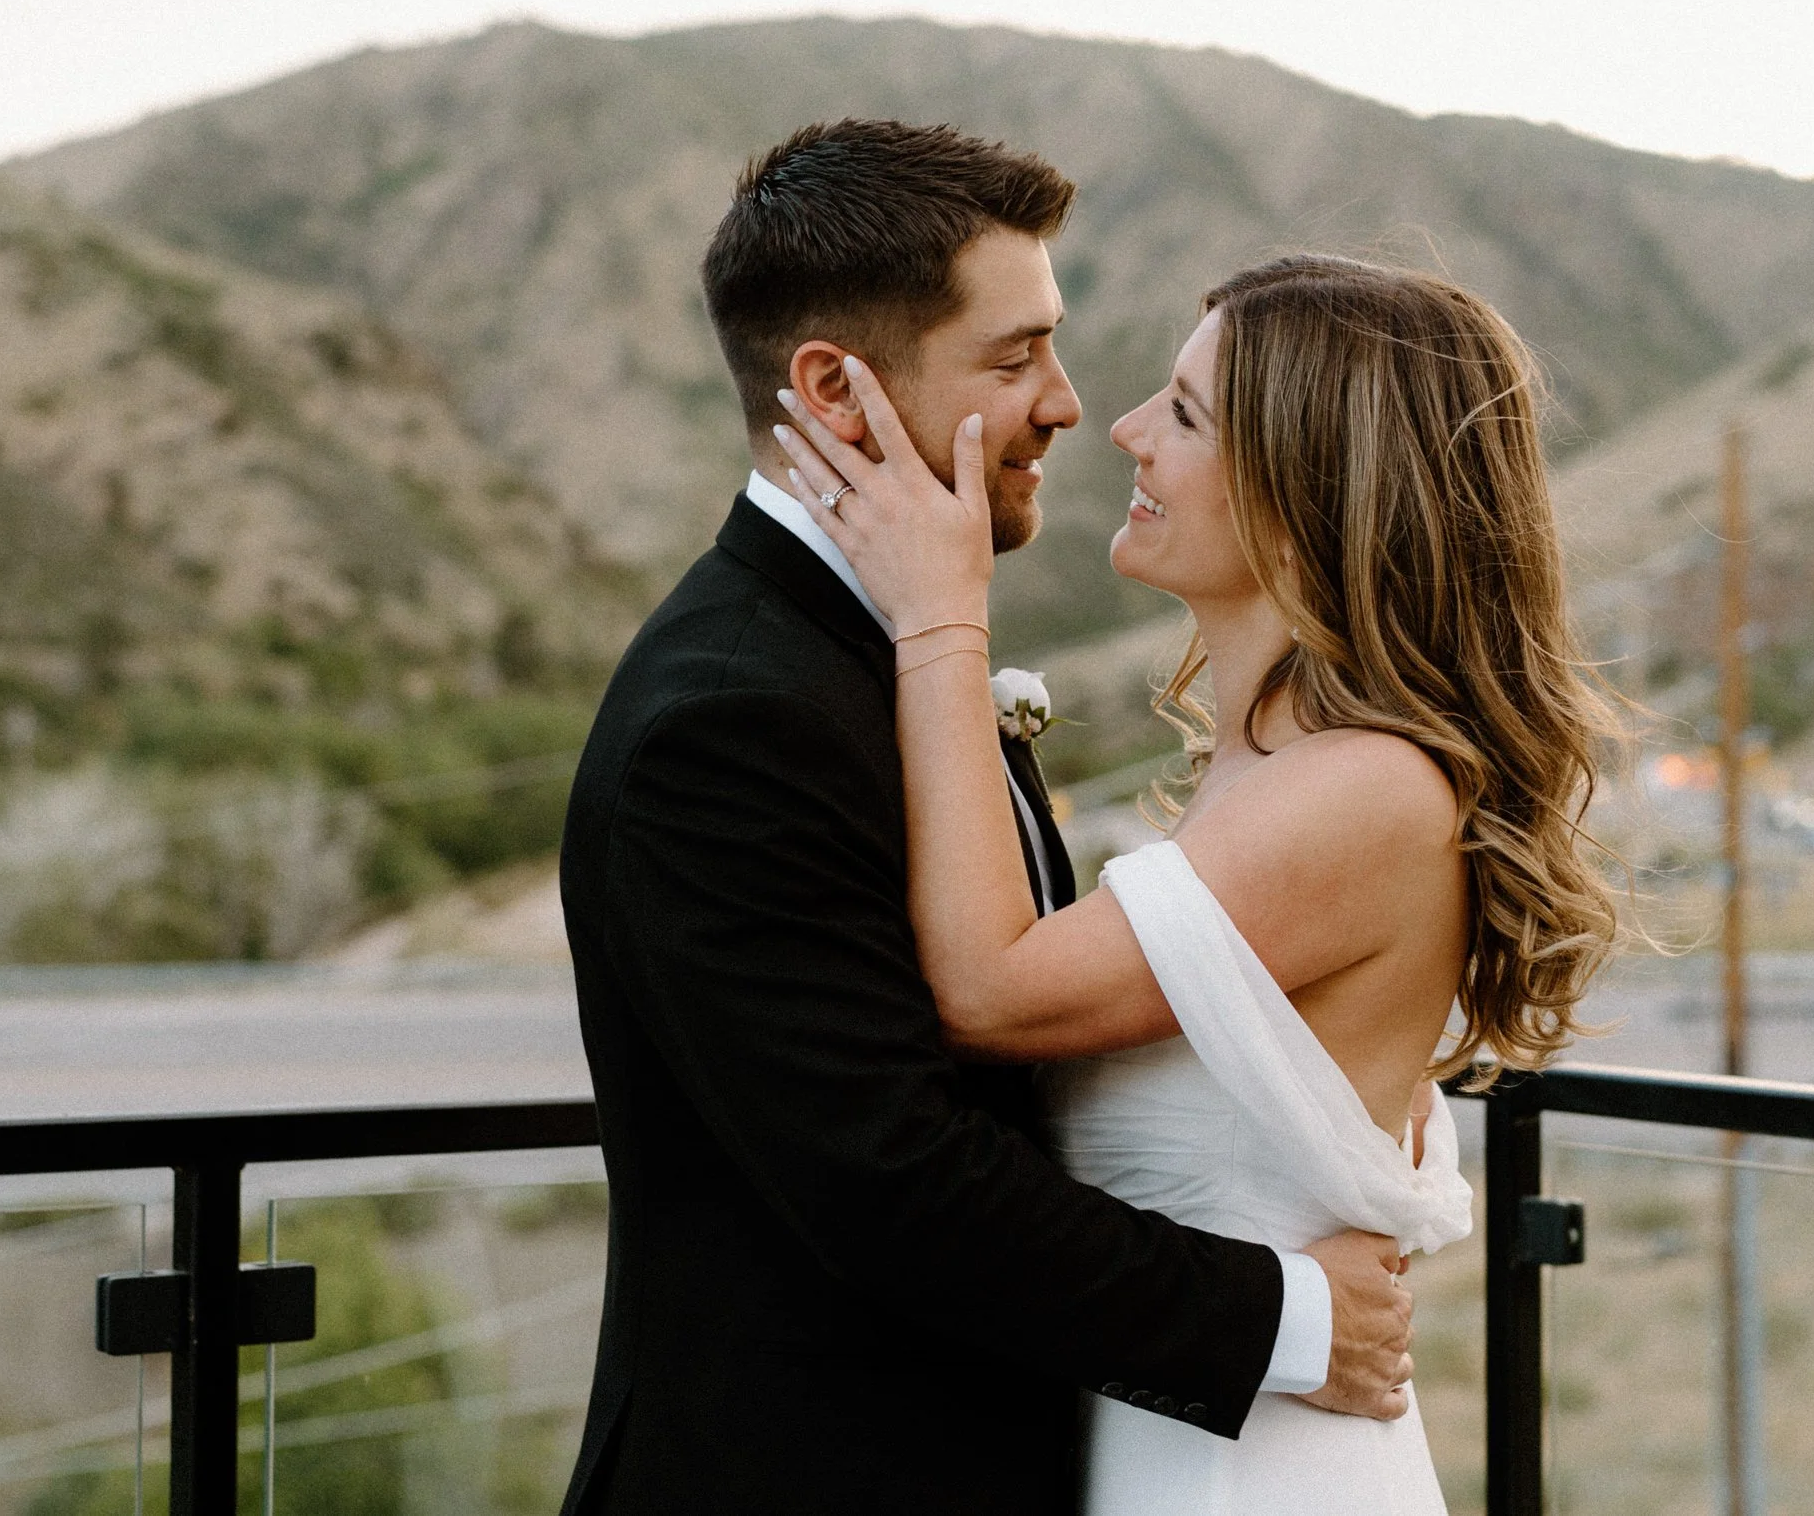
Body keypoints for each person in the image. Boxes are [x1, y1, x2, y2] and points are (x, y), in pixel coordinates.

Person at [555, 123, 1418, 1516]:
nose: (1072, 405)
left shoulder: (893, 653)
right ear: (836, 389)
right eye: (1014, 358)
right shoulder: (726, 716)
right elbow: (891, 1181)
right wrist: (1288, 1318)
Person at [774, 251, 1622, 1513]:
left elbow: (992, 994)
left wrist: (940, 615)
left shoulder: (1365, 789)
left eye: (1182, 413)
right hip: (1184, 1432)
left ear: (1303, 489)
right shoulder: (1268, 771)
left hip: (1249, 1474)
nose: (1120, 429)